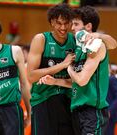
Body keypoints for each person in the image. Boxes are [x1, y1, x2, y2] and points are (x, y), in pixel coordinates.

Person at [37, 5, 117, 135]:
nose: (72, 28)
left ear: (88, 26)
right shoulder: (80, 48)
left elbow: (81, 80)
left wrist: (67, 66)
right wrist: (54, 81)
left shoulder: (97, 46)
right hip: (76, 111)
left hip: (92, 111)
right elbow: (75, 83)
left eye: (76, 24)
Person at [27, 4, 76, 135]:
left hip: (68, 100)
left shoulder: (75, 40)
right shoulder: (41, 39)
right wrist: (62, 65)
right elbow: (31, 76)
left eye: (66, 23)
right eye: (59, 23)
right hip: (43, 100)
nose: (63, 28)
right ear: (51, 23)